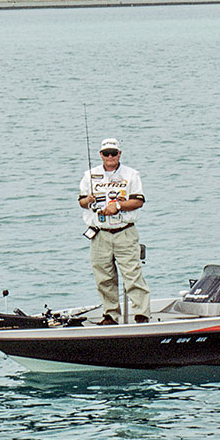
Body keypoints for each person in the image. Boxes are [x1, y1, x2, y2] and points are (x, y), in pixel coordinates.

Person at [78, 138, 151, 324]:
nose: (110, 157)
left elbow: (138, 201)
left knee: (132, 274)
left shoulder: (131, 174)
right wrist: (88, 200)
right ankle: (110, 315)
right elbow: (81, 202)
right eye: (106, 153)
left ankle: (142, 314)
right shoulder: (89, 175)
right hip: (99, 233)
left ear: (119, 154)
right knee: (103, 277)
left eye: (113, 153)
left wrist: (117, 206)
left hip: (124, 232)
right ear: (100, 155)